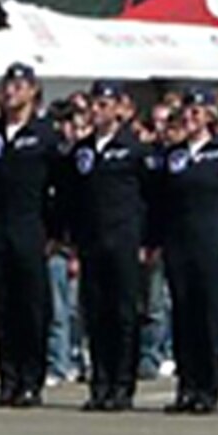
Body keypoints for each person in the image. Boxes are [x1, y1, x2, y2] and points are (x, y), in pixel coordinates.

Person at [0, 63, 59, 408]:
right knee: (2, 308)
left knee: (31, 308)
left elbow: (58, 188)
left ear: (33, 90)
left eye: (18, 86)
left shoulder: (46, 135)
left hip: (30, 227)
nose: (10, 92)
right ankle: (9, 379)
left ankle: (32, 379)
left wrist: (55, 232)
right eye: (7, 86)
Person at [64, 81, 151, 412]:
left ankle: (122, 384)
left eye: (103, 105)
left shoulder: (133, 148)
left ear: (118, 108)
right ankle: (100, 382)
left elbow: (149, 197)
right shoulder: (82, 150)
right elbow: (72, 198)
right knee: (96, 315)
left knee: (124, 314)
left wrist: (146, 239)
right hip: (91, 242)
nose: (96, 111)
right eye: (94, 105)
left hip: (124, 241)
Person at [147, 89, 218, 414]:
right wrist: (154, 241)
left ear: (209, 117)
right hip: (178, 243)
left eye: (197, 113)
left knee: (208, 317)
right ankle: (187, 386)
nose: (190, 119)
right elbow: (159, 202)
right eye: (186, 113)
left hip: (211, 241)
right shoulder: (174, 156)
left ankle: (208, 388)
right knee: (182, 315)